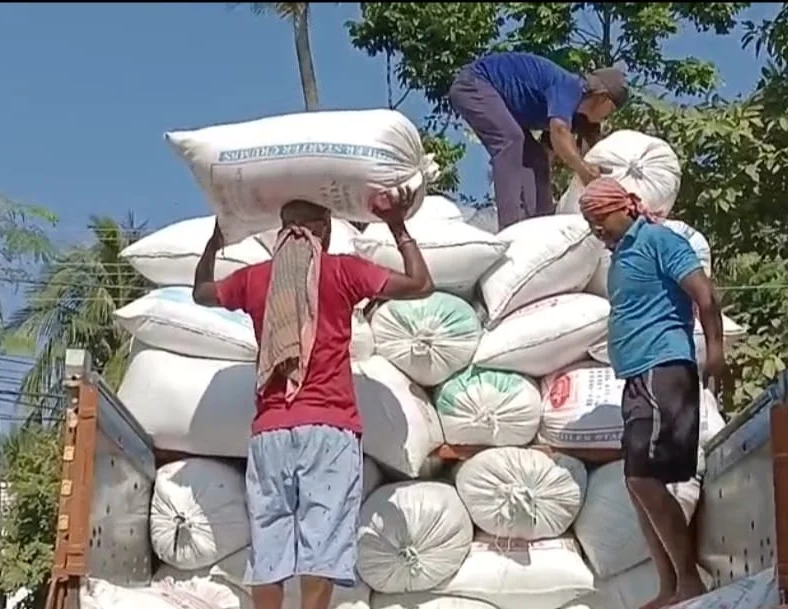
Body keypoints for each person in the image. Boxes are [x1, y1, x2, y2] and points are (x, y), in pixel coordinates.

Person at [192, 187, 434, 609]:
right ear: (323, 232)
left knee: (270, 550)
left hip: (269, 434)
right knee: (320, 549)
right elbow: (420, 284)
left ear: (283, 232)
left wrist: (215, 242)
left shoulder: (255, 278)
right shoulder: (342, 271)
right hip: (330, 429)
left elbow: (201, 293)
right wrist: (396, 225)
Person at [577, 177, 725, 609]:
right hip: (638, 377)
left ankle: (688, 582)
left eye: (599, 219)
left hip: (665, 370)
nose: (596, 231)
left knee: (644, 478)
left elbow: (705, 294)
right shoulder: (621, 255)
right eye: (589, 223)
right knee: (636, 483)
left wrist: (715, 351)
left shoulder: (660, 240)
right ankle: (669, 586)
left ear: (623, 208)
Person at [448, 51, 628, 229]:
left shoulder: (575, 116)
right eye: (611, 111)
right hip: (474, 84)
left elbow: (552, 150)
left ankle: (540, 224)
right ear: (603, 97)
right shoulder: (569, 87)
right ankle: (510, 227)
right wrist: (583, 171)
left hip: (502, 102)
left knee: (537, 158)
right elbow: (559, 131)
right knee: (510, 141)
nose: (607, 117)